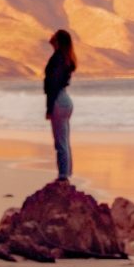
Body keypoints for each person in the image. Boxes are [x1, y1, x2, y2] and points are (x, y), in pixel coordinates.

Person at [44, 29, 76, 182]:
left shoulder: (58, 58)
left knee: (60, 142)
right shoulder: (65, 57)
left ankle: (63, 177)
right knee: (64, 141)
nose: (51, 36)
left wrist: (49, 108)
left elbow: (53, 85)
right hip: (65, 100)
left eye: (54, 35)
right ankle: (66, 174)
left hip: (58, 100)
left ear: (58, 40)